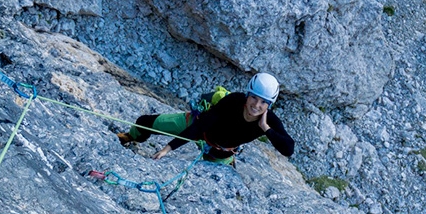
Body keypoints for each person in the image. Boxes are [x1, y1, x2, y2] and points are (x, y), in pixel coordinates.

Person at [118, 72, 294, 164]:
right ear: (247, 95)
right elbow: (200, 127)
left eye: (264, 102)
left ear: (269, 105)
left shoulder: (269, 120)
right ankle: (131, 136)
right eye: (254, 97)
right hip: (199, 127)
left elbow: (288, 148)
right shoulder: (233, 101)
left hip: (221, 150)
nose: (256, 105)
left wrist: (265, 128)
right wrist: (167, 149)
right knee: (146, 122)